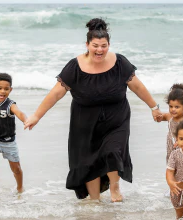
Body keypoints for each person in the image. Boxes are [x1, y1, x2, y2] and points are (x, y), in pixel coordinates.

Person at [23, 18, 162, 202]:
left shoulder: (119, 62)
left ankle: (114, 187)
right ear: (87, 45)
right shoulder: (75, 66)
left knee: (113, 151)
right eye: (95, 45)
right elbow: (56, 94)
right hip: (84, 122)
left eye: (104, 46)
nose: (100, 50)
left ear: (109, 45)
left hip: (116, 118)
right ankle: (94, 202)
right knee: (88, 162)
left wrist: (154, 107)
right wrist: (36, 116)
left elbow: (137, 86)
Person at [156, 83, 183, 164]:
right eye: (171, 106)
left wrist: (182, 140)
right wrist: (158, 117)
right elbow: (161, 117)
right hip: (172, 148)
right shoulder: (169, 116)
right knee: (172, 168)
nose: (173, 109)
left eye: (177, 107)